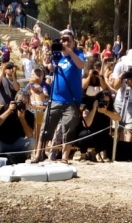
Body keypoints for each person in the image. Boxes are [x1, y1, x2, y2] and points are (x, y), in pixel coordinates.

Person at [34, 29, 86, 163]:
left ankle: (64, 157)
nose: (65, 42)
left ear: (74, 42)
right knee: (46, 126)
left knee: (68, 129)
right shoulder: (58, 57)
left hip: (71, 101)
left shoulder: (78, 54)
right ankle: (38, 154)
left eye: (68, 40)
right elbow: (50, 68)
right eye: (63, 40)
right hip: (55, 99)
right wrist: (49, 63)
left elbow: (81, 65)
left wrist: (69, 51)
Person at [0, 91, 35, 164]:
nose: (22, 104)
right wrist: (9, 110)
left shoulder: (30, 115)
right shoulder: (6, 107)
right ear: (15, 101)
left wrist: (22, 118)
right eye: (20, 101)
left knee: (32, 141)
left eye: (25, 102)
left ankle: (21, 158)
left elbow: (30, 134)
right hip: (1, 141)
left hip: (16, 142)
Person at [76, 91, 119, 161]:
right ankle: (83, 155)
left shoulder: (109, 108)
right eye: (103, 101)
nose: (105, 104)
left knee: (109, 140)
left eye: (107, 102)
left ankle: (92, 153)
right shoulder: (90, 105)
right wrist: (94, 109)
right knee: (83, 135)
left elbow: (118, 118)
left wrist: (105, 112)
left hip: (101, 135)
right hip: (88, 133)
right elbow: (87, 124)